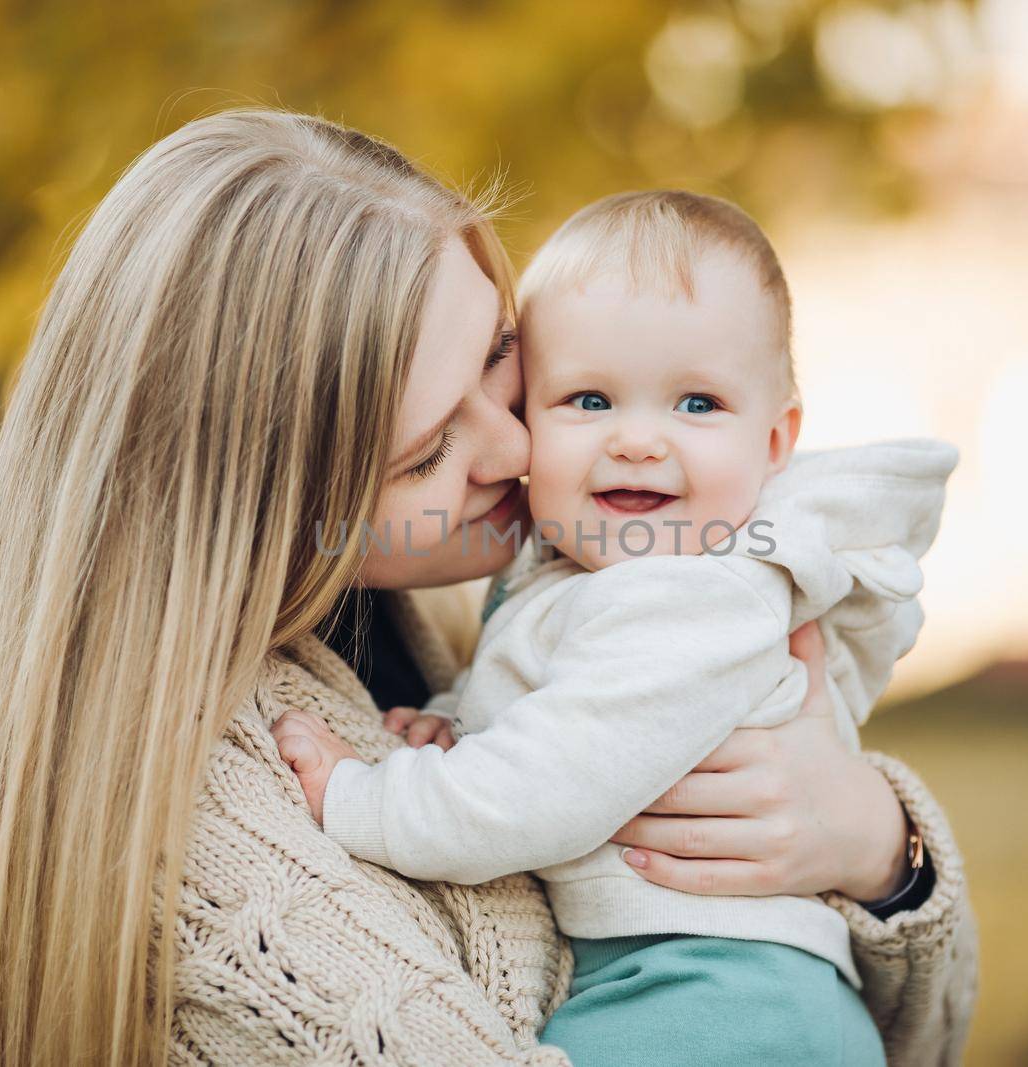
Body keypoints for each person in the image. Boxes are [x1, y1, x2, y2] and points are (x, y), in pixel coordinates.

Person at [0, 109, 976, 1066]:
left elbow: (897, 1039)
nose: (515, 445)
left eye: (502, 358)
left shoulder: (472, 604)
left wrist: (881, 853)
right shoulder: (224, 841)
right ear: (251, 511)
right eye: (424, 453)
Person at [272, 190, 958, 1066]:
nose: (638, 440)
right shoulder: (596, 578)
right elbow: (573, 715)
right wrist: (461, 720)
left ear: (778, 439)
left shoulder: (696, 602)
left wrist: (360, 796)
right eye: (589, 399)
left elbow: (535, 793)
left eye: (698, 404)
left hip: (721, 994)